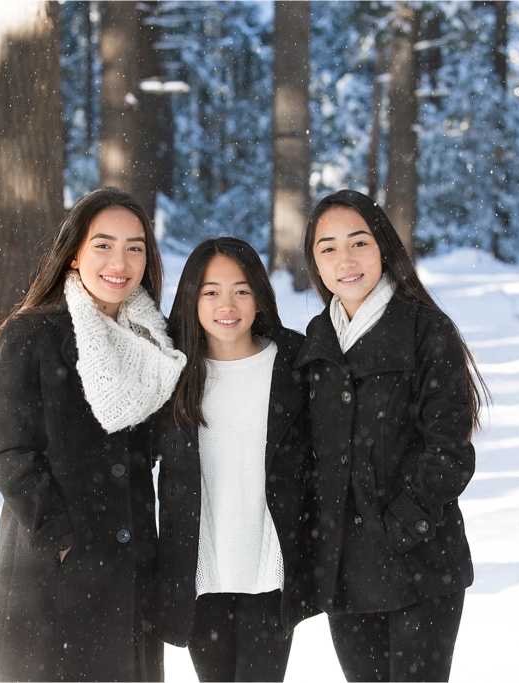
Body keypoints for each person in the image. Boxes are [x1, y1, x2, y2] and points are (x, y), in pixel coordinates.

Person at [0, 187, 186, 682]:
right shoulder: (32, 334)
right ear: (74, 254)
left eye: (135, 246)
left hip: (130, 564)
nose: (120, 260)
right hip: (53, 570)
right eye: (103, 244)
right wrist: (61, 537)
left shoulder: (153, 344)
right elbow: (9, 452)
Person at [294, 190, 489, 682]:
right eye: (328, 248)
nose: (345, 260)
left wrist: (403, 525)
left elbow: (449, 448)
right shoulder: (315, 342)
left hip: (421, 563)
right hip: (346, 571)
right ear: (315, 262)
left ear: (383, 246)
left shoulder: (426, 330)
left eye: (358, 243)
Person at [154, 237, 317, 682]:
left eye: (241, 290)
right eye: (211, 291)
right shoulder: (172, 371)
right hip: (201, 573)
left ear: (260, 297)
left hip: (270, 571)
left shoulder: (293, 364)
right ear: (192, 298)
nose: (227, 304)